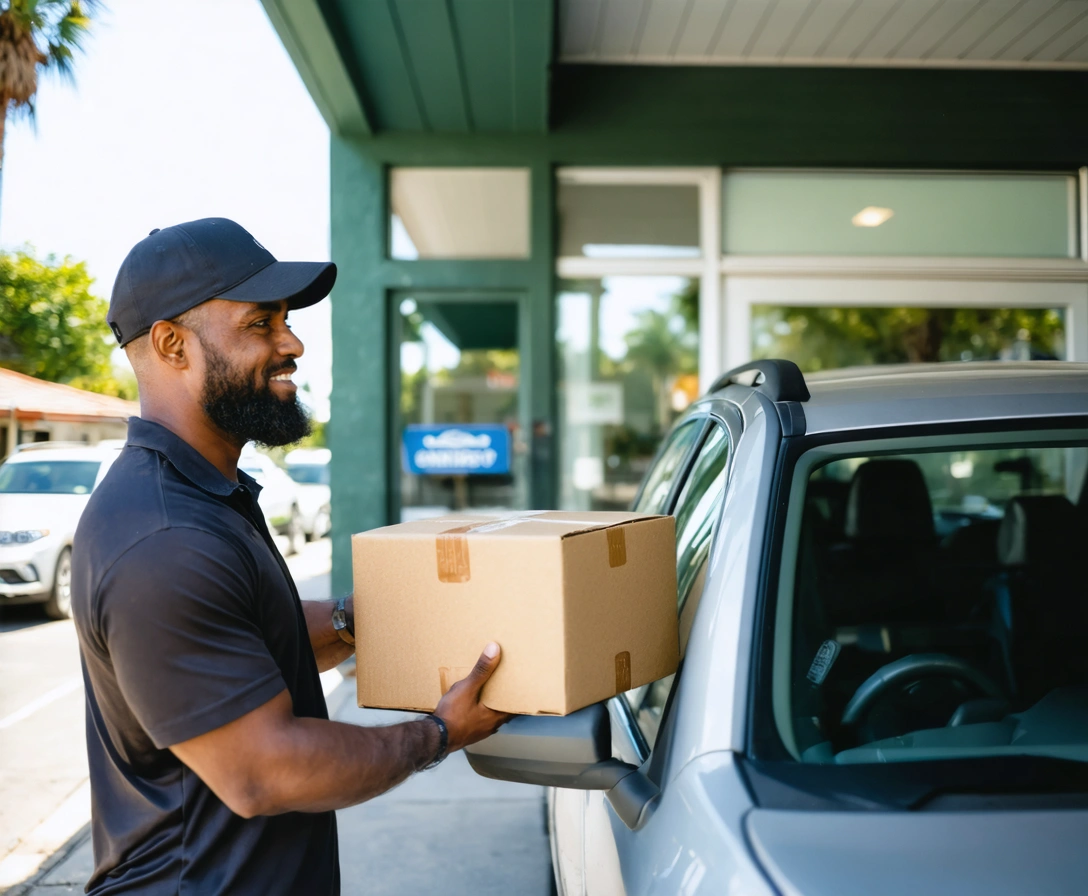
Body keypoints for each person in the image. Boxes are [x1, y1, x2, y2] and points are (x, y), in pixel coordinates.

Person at [71, 218, 511, 895]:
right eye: (261, 324)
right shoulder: (163, 538)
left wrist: (358, 619)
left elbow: (246, 628)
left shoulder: (203, 496)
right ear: (171, 344)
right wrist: (439, 734)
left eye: (287, 321)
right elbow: (265, 770)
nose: (293, 343)